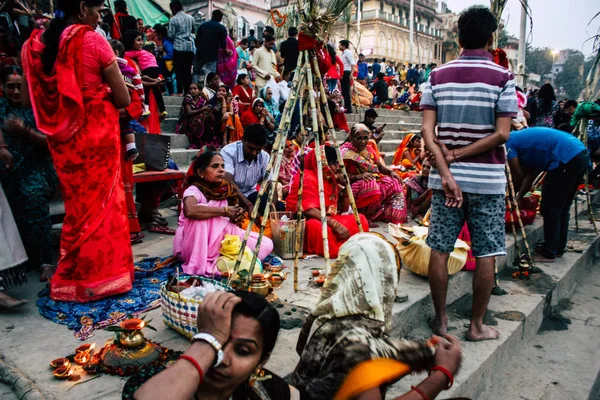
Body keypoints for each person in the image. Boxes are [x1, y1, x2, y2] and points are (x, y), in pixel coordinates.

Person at [21, 0, 134, 302]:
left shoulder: (38, 45)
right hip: (97, 135)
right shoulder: (92, 39)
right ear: (83, 8)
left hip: (65, 143)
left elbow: (34, 96)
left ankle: (74, 277)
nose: (99, 18)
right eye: (98, 11)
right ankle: (106, 278)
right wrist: (106, 92)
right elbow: (123, 97)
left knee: (78, 207)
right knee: (104, 208)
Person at [420, 5, 517, 340]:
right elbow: (503, 134)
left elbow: (428, 133)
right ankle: (476, 326)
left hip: (445, 180)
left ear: (458, 36)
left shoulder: (436, 76)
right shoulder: (503, 78)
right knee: (487, 250)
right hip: (487, 181)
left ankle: (441, 321)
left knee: (440, 248)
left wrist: (448, 168)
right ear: (491, 38)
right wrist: (461, 154)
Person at [292, 233, 462, 400]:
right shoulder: (359, 348)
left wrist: (422, 355)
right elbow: (365, 354)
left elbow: (383, 354)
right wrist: (441, 375)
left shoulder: (323, 318)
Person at [124, 290, 299, 399]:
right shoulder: (152, 382)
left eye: (242, 351)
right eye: (218, 342)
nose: (222, 359)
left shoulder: (269, 390)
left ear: (261, 361)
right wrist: (209, 338)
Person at [173, 148, 273, 276]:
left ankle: (223, 259)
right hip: (197, 242)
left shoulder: (226, 189)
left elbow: (232, 215)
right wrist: (224, 211)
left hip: (223, 239)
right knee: (199, 218)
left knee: (266, 244)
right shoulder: (194, 191)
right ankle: (207, 261)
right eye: (215, 166)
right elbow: (190, 210)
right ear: (201, 172)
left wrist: (237, 214)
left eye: (222, 166)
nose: (221, 170)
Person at [0, 65, 58, 282]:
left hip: (38, 168)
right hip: (8, 170)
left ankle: (45, 261)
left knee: (31, 193)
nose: (15, 91)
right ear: (2, 87)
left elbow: (52, 144)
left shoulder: (37, 109)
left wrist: (24, 130)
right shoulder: (1, 107)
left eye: (19, 86)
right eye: (10, 87)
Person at [506, 127, 588, 262]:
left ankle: (549, 252)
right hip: (578, 154)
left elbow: (517, 174)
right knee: (562, 207)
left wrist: (511, 198)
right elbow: (529, 175)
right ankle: (557, 248)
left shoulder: (507, 142)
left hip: (565, 157)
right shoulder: (523, 143)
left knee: (550, 207)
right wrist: (518, 198)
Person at [286, 145, 369, 258]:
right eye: (333, 164)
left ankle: (345, 246)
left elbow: (343, 209)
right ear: (323, 163)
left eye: (337, 163)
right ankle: (342, 247)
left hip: (328, 218)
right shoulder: (306, 177)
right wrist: (335, 225)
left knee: (361, 219)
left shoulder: (330, 178)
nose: (336, 167)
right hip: (308, 221)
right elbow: (307, 209)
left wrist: (346, 186)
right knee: (317, 228)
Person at [341, 124, 407, 225]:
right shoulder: (345, 152)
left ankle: (392, 215)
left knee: (394, 182)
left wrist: (391, 172)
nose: (363, 141)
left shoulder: (369, 149)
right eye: (359, 138)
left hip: (375, 181)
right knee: (369, 182)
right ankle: (364, 217)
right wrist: (358, 177)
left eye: (365, 138)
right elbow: (341, 176)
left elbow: (380, 167)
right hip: (353, 186)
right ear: (351, 137)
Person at [221, 124, 276, 215]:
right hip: (229, 195)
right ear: (243, 140)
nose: (254, 153)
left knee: (279, 206)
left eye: (258, 150)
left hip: (250, 193)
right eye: (250, 148)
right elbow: (228, 181)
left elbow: (270, 183)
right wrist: (248, 205)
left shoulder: (264, 156)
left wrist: (272, 207)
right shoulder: (228, 152)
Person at [122, 30, 167, 119]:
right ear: (130, 42)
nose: (141, 43)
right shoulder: (126, 59)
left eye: (142, 40)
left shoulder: (138, 55)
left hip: (149, 97)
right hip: (140, 96)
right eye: (138, 40)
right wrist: (154, 82)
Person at [168, 0, 195, 95]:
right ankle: (188, 91)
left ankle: (179, 91)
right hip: (189, 48)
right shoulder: (191, 18)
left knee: (179, 70)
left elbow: (170, 35)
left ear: (174, 9)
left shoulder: (173, 19)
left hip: (178, 48)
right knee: (187, 70)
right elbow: (193, 31)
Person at [194, 10, 229, 80]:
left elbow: (196, 41)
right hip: (212, 55)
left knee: (196, 72)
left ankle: (195, 87)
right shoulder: (221, 28)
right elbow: (223, 45)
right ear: (221, 18)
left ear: (212, 15)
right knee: (210, 75)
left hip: (200, 53)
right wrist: (227, 52)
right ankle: (207, 89)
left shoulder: (203, 25)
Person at [176, 82, 212, 148]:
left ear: (199, 90)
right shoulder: (187, 99)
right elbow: (189, 113)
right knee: (199, 118)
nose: (192, 90)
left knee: (207, 117)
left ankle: (205, 141)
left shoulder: (202, 100)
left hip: (199, 119)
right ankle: (196, 142)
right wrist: (202, 109)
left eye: (195, 89)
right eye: (191, 89)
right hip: (187, 120)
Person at [154, 24, 174, 95]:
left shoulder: (167, 43)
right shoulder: (165, 42)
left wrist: (161, 57)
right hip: (165, 65)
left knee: (166, 78)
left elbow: (170, 54)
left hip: (167, 66)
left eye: (157, 34)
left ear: (160, 34)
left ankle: (169, 92)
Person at [339, 39, 355, 114]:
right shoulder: (343, 53)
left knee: (346, 91)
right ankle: (346, 107)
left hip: (346, 73)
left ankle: (348, 108)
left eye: (340, 45)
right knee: (344, 91)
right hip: (343, 73)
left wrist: (351, 74)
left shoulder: (348, 53)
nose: (339, 46)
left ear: (343, 45)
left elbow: (352, 63)